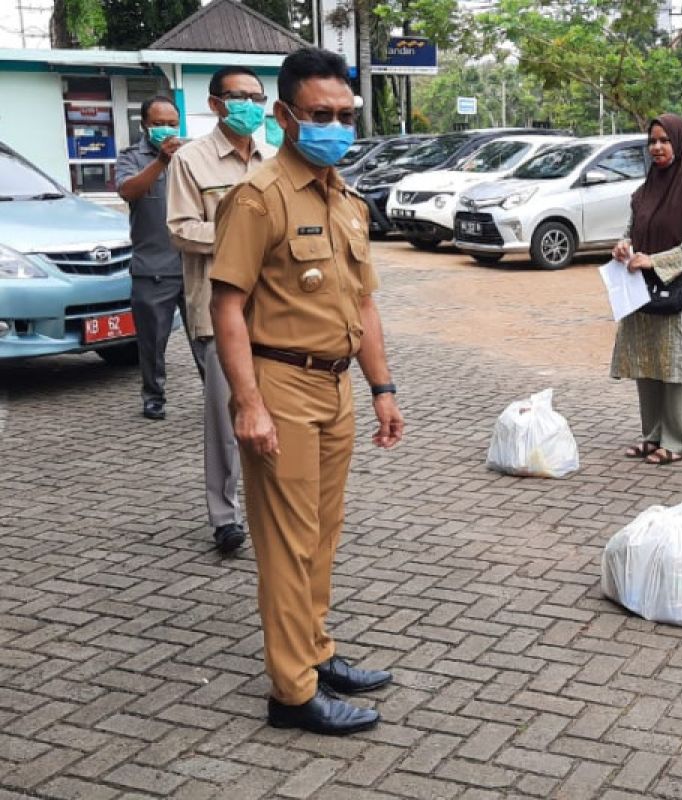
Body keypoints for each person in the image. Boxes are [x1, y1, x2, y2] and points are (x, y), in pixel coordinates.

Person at [210, 46, 404, 736]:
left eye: (346, 115)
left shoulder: (346, 199)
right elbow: (226, 305)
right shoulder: (259, 197)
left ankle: (316, 652)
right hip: (280, 385)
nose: (336, 126)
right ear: (286, 116)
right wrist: (248, 402)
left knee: (320, 535)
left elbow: (366, 306)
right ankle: (292, 693)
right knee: (286, 544)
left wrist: (381, 386)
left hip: (336, 388)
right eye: (321, 115)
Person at [167, 66, 268, 554]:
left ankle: (272, 509)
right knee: (226, 420)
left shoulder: (274, 160)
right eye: (239, 96)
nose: (250, 104)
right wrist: (242, 238)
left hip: (275, 312)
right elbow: (182, 230)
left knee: (276, 413)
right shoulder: (192, 161)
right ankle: (225, 517)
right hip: (217, 309)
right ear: (215, 104)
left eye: (257, 96)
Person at [610, 113, 682, 465]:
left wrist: (655, 261)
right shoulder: (645, 189)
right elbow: (631, 229)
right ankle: (652, 435)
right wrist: (624, 247)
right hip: (645, 288)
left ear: (680, 142)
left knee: (677, 366)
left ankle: (677, 441)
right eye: (652, 141)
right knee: (649, 362)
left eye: (664, 140)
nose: (657, 147)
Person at [115, 95, 200, 420]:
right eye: (158, 123)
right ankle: (154, 398)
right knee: (152, 343)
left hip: (194, 266)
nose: (166, 129)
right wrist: (161, 162)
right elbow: (128, 191)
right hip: (153, 270)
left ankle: (218, 396)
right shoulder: (131, 158)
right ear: (144, 125)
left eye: (171, 123)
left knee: (207, 340)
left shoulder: (191, 156)